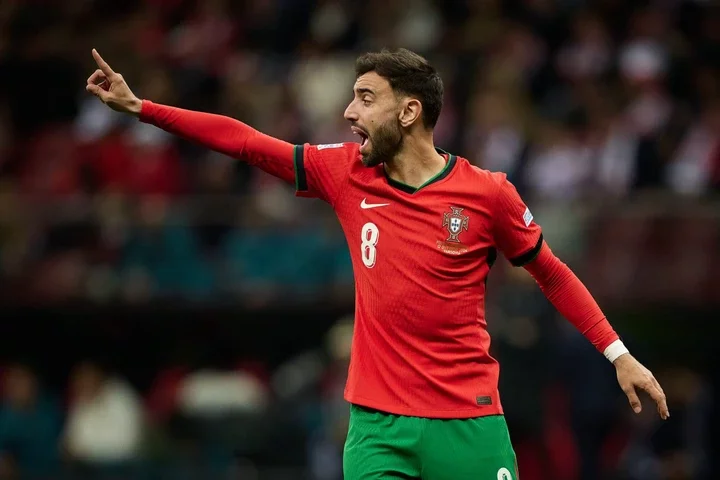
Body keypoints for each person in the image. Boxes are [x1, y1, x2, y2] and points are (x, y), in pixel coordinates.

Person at [86, 47, 669, 480]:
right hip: (376, 428)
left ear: (410, 111)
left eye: (366, 98)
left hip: (468, 421)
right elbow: (245, 142)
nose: (347, 111)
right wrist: (143, 108)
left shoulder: (487, 193)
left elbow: (552, 272)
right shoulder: (345, 174)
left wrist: (617, 354)